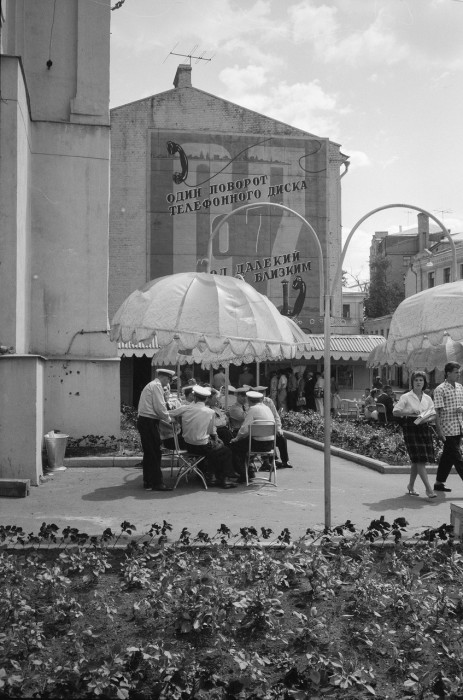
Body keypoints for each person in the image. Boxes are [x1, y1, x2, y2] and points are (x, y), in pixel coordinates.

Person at [169, 385, 237, 489]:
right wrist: (216, 438)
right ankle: (223, 478)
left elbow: (169, 414)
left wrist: (175, 421)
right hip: (202, 446)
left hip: (187, 445)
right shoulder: (210, 412)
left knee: (216, 450)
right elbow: (211, 431)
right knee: (225, 451)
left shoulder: (185, 408)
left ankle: (212, 475)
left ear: (195, 397)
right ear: (206, 399)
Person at [393, 371, 437, 499]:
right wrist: (409, 411)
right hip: (410, 427)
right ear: (412, 382)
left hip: (423, 427)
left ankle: (411, 486)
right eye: (416, 380)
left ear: (424, 383)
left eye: (421, 380)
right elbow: (395, 412)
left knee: (417, 460)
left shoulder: (428, 398)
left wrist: (426, 419)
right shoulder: (406, 397)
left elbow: (433, 414)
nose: (418, 382)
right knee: (420, 460)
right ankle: (429, 489)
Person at [137, 368, 175, 491]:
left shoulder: (153, 385)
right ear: (165, 377)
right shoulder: (157, 386)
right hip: (148, 421)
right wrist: (169, 419)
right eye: (169, 379)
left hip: (146, 421)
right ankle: (156, 483)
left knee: (150, 453)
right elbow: (160, 407)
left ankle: (148, 481)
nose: (168, 382)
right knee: (154, 452)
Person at [230, 391, 275, 482]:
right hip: (270, 444)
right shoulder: (267, 408)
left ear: (249, 400)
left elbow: (245, 429)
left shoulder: (253, 409)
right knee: (243, 446)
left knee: (233, 447)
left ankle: (243, 474)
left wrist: (237, 438)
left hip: (258, 443)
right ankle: (249, 471)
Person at [433, 362, 463, 492]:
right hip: (447, 429)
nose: (459, 374)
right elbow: (437, 412)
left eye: (459, 372)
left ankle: (439, 483)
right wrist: (439, 431)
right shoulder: (440, 389)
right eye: (456, 372)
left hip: (458, 427)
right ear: (448, 373)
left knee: (448, 457)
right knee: (457, 457)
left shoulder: (460, 387)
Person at [250, 385, 293, 468]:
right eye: (260, 392)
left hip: (269, 431)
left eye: (263, 392)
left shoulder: (269, 401)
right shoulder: (251, 403)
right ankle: (268, 461)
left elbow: (276, 416)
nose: (262, 394)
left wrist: (278, 428)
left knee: (282, 439)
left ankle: (285, 461)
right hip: (257, 433)